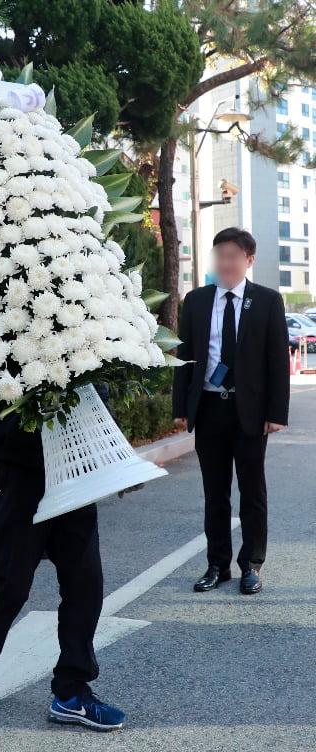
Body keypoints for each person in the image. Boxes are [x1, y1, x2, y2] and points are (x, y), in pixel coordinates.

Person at [0, 387, 126, 732]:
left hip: (71, 468)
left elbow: (96, 383)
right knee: (11, 583)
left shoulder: (87, 331)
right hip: (16, 468)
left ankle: (71, 691)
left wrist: (109, 447)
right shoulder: (1, 332)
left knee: (86, 582)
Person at [173, 227, 289, 595]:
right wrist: (181, 407)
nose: (225, 263)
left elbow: (277, 361)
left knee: (252, 492)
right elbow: (185, 356)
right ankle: (217, 565)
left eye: (233, 256)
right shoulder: (196, 300)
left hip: (251, 412)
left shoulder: (268, 301)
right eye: (220, 255)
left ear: (248, 260)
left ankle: (251, 564)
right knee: (215, 493)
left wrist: (277, 412)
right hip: (209, 408)